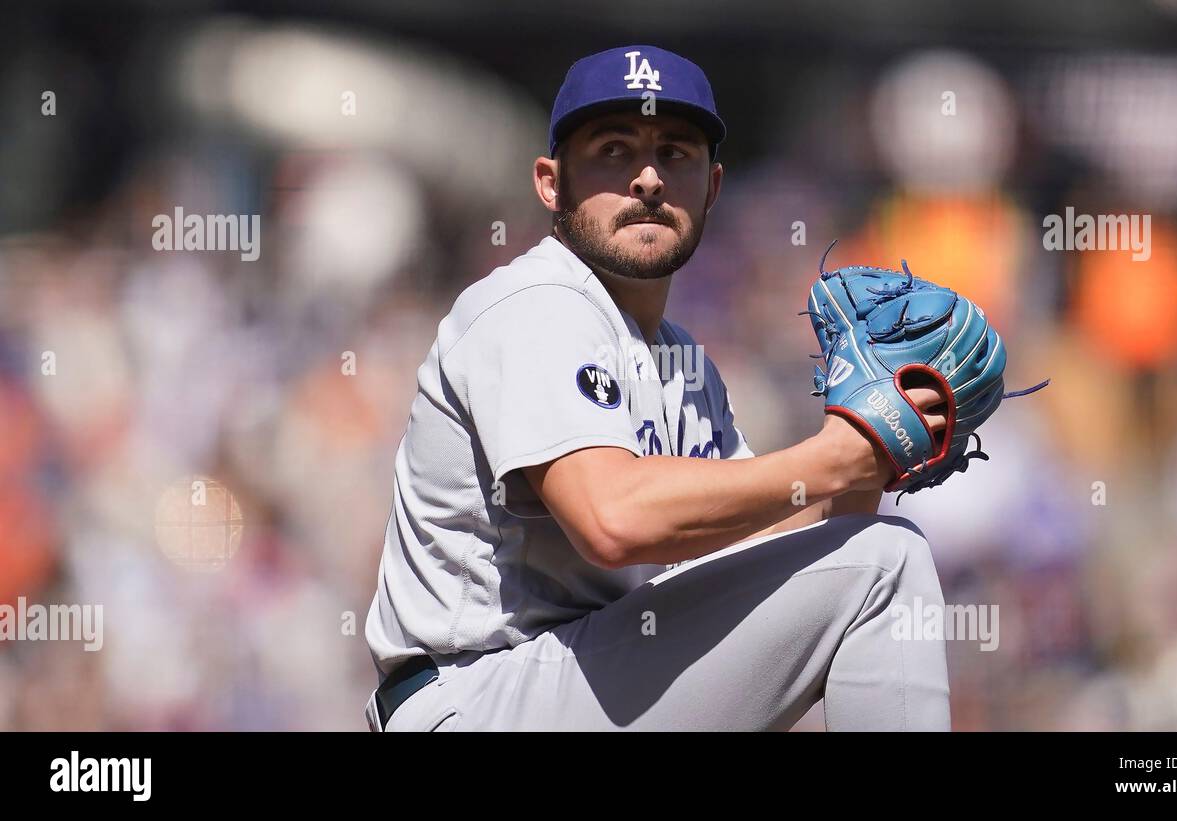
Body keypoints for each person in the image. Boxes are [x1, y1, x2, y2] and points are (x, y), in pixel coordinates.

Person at [363, 45, 951, 731]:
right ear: (551, 183)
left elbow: (756, 538)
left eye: (675, 154)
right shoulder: (530, 304)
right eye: (614, 149)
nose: (647, 178)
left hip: (587, 680)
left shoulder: (682, 361)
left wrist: (873, 447)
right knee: (889, 564)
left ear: (713, 186)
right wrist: (830, 458)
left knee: (872, 549)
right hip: (479, 691)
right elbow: (612, 521)